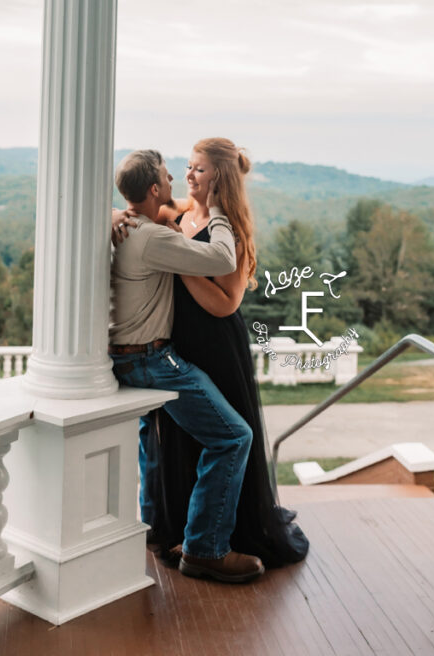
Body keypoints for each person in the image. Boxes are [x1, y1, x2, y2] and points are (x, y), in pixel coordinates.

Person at [131, 137, 309, 568]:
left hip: (216, 347)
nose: (189, 175)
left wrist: (178, 261)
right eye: (189, 167)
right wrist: (121, 218)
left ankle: (221, 536)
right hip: (175, 345)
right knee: (173, 440)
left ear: (220, 178)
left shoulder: (231, 230)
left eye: (199, 170)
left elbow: (225, 303)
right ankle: (172, 530)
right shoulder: (177, 215)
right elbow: (137, 216)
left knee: (223, 437)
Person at [109, 148, 265, 583]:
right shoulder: (155, 236)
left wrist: (110, 214)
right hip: (154, 357)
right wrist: (213, 210)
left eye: (196, 168)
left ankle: (156, 525)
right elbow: (220, 259)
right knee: (235, 437)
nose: (180, 176)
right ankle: (204, 549)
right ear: (154, 188)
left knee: (153, 438)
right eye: (171, 174)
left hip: (133, 355)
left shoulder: (131, 227)